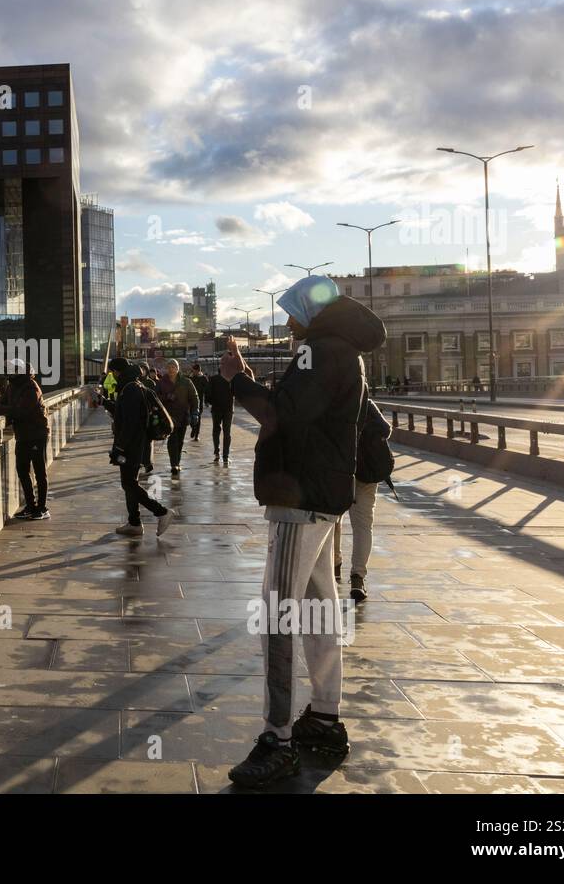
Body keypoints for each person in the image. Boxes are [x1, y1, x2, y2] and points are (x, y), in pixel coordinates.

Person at [217, 275, 385, 789]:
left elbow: (282, 417)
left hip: (299, 499)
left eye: (292, 312)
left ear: (310, 314)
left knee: (277, 617)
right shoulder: (342, 351)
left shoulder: (319, 351)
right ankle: (325, 718)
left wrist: (238, 382)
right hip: (323, 498)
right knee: (319, 610)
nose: (287, 321)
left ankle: (278, 738)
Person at [107, 358, 176, 538]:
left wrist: (120, 448)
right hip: (137, 444)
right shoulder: (133, 386)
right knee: (130, 483)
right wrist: (103, 401)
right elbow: (123, 413)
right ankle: (134, 523)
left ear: (117, 371)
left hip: (132, 445)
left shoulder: (129, 389)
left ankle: (161, 512)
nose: (112, 376)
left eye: (112, 372)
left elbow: (130, 423)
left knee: (128, 483)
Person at [332, 398, 392, 602]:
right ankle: (358, 578)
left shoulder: (332, 400)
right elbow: (386, 429)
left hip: (337, 471)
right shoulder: (365, 402)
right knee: (363, 526)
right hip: (365, 473)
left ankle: (334, 565)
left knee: (333, 522)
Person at [0, 358, 51, 521]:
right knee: (22, 470)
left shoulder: (32, 387)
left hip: (37, 434)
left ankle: (42, 508)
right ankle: (30, 506)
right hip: (23, 434)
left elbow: (21, 411)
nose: (8, 375)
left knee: (39, 471)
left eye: (11, 371)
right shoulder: (12, 386)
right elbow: (3, 405)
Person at [157, 359, 199, 477]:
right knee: (172, 440)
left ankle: (177, 462)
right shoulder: (161, 382)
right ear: (166, 368)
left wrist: (195, 412)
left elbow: (194, 398)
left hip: (183, 416)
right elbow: (155, 397)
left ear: (178, 368)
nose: (171, 369)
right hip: (168, 417)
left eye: (173, 367)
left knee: (179, 441)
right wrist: (166, 397)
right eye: (169, 367)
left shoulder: (186, 382)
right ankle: (173, 465)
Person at [206, 361, 239, 466]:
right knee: (227, 433)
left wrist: (213, 402)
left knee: (216, 430)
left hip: (216, 409)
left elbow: (208, 394)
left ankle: (217, 453)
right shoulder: (232, 380)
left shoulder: (213, 379)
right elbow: (237, 393)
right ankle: (226, 456)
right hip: (228, 409)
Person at [188, 362, 208, 441]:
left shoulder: (203, 378)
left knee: (198, 418)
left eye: (196, 371)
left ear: (199, 370)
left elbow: (207, 390)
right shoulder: (190, 378)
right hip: (190, 401)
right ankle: (193, 428)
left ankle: (196, 435)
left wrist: (206, 401)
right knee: (190, 417)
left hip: (199, 401)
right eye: (193, 371)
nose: (194, 372)